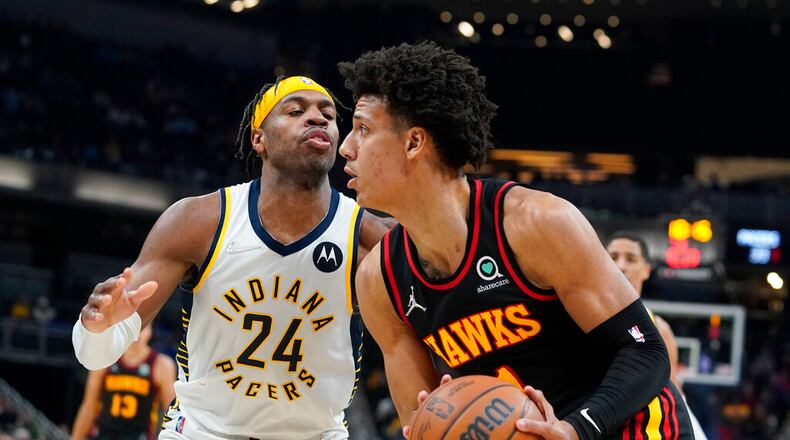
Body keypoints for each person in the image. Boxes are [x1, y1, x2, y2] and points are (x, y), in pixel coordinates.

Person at [338, 41, 694, 440]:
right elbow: (419, 425)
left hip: (635, 428)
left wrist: (576, 430)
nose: (345, 148)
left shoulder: (535, 223)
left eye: (363, 130)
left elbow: (646, 351)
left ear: (414, 142)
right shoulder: (378, 281)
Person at [72, 76, 391, 439]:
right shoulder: (198, 221)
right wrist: (95, 329)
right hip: (203, 432)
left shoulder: (369, 236)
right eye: (296, 110)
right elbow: (96, 356)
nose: (318, 119)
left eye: (329, 115)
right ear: (259, 138)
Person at [605, 231, 708, 440]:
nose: (621, 265)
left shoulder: (660, 330)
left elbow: (676, 398)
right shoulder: (578, 318)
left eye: (631, 259)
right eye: (612, 257)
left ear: (646, 270)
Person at [71, 325, 176, 440]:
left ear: (150, 332)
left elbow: (171, 413)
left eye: (143, 328)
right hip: (103, 435)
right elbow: (88, 406)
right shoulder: (105, 358)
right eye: (134, 327)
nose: (137, 334)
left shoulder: (162, 365)